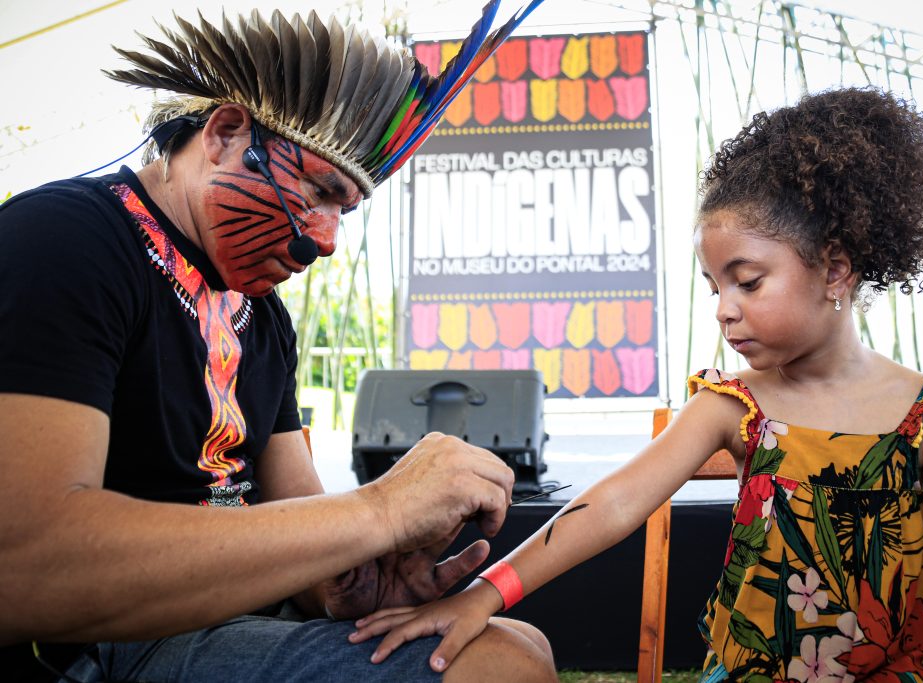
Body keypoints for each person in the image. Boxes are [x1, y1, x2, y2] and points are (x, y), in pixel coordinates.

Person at [350, 87, 923, 681]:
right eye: (714, 286)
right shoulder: (733, 406)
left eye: (748, 280)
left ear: (836, 269)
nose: (724, 307)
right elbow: (614, 504)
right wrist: (482, 595)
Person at [0, 6, 558, 683]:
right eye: (317, 192)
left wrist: (346, 587)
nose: (324, 240)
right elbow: (25, 562)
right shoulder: (67, 239)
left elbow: (298, 518)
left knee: (518, 642)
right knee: (498, 667)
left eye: (344, 212)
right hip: (122, 637)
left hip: (241, 615)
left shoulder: (264, 319)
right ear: (227, 131)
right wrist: (380, 507)